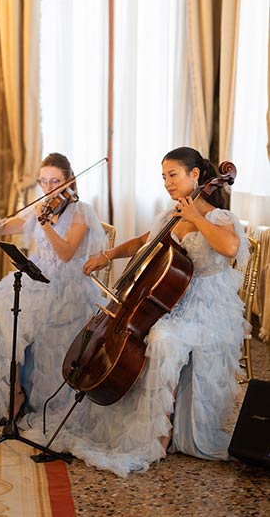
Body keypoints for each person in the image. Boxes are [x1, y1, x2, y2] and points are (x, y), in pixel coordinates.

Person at [40, 146, 249, 476]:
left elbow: (230, 247)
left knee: (163, 338)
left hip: (206, 310)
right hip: (170, 303)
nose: (167, 182)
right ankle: (141, 422)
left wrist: (195, 216)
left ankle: (160, 433)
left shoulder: (218, 217)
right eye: (163, 176)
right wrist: (107, 255)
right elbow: (143, 241)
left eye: (173, 175)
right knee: (152, 333)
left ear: (196, 176)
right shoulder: (170, 215)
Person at [0, 152, 108, 427]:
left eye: (55, 182)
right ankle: (11, 387)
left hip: (65, 286)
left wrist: (46, 223)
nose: (48, 188)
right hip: (36, 276)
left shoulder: (81, 210)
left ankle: (20, 391)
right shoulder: (42, 205)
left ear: (69, 181)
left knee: (14, 317)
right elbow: (12, 224)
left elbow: (65, 253)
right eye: (43, 181)